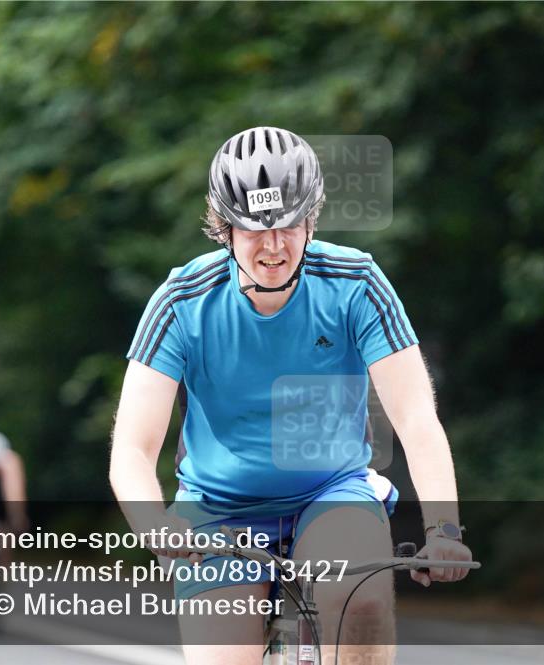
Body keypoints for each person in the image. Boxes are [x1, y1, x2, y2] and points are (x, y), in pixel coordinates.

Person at [110, 127, 472, 665]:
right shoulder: (181, 301)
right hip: (218, 511)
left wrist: (443, 528)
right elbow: (133, 449)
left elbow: (417, 418)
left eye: (289, 225)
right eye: (255, 230)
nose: (274, 246)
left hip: (331, 492)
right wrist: (153, 524)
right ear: (224, 228)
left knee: (363, 603)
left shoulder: (357, 282)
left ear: (311, 219)